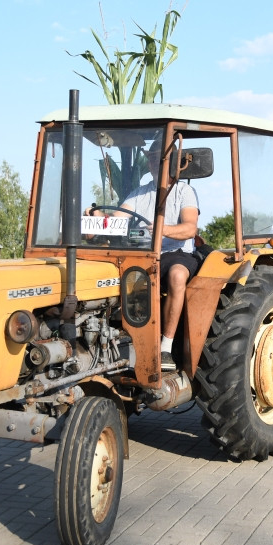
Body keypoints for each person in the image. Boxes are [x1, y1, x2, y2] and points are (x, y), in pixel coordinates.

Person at [106, 139, 200, 371]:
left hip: (175, 252)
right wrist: (97, 218)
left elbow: (190, 228)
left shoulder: (184, 191)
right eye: (150, 158)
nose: (153, 163)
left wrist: (163, 229)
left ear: (173, 162)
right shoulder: (139, 194)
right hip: (145, 254)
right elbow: (119, 218)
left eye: (159, 158)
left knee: (177, 276)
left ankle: (165, 347)